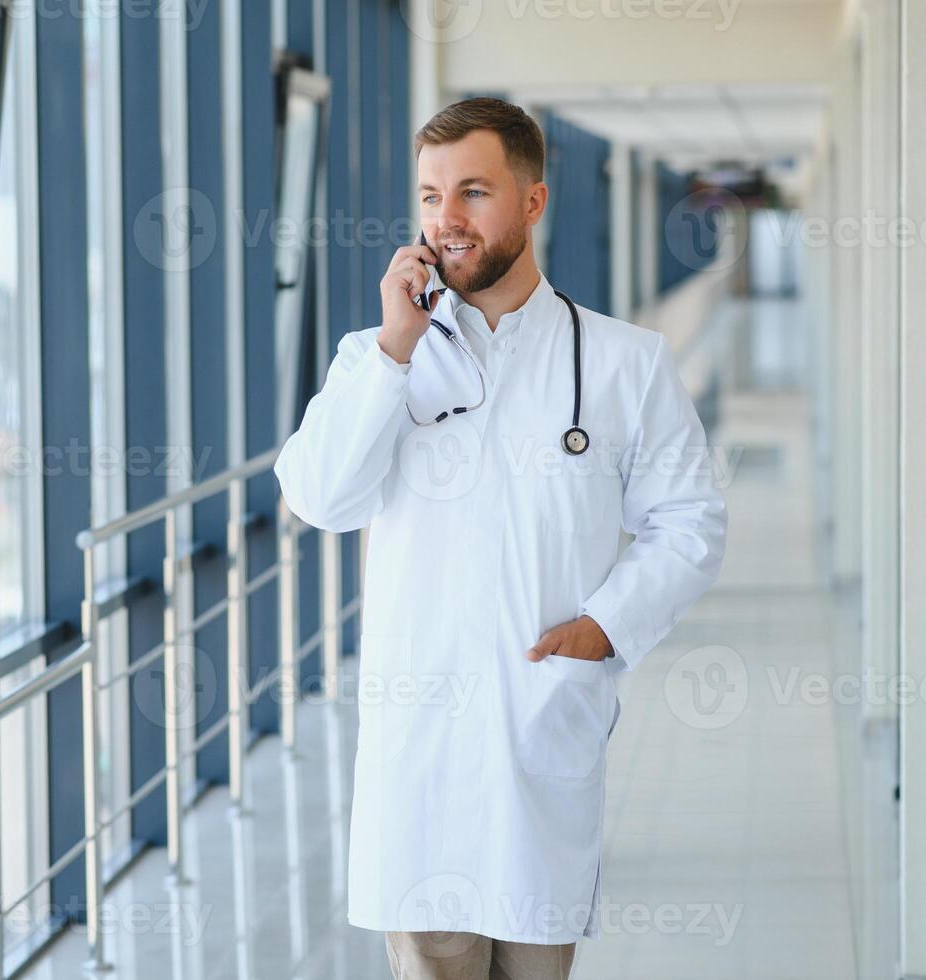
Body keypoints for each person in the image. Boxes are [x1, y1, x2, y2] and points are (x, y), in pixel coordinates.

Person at [272, 97, 728, 979]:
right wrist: (395, 355)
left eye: (473, 192)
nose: (446, 219)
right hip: (421, 762)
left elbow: (690, 522)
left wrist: (605, 626)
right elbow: (320, 498)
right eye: (430, 195)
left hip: (538, 728)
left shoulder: (622, 362)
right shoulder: (376, 360)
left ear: (532, 201)